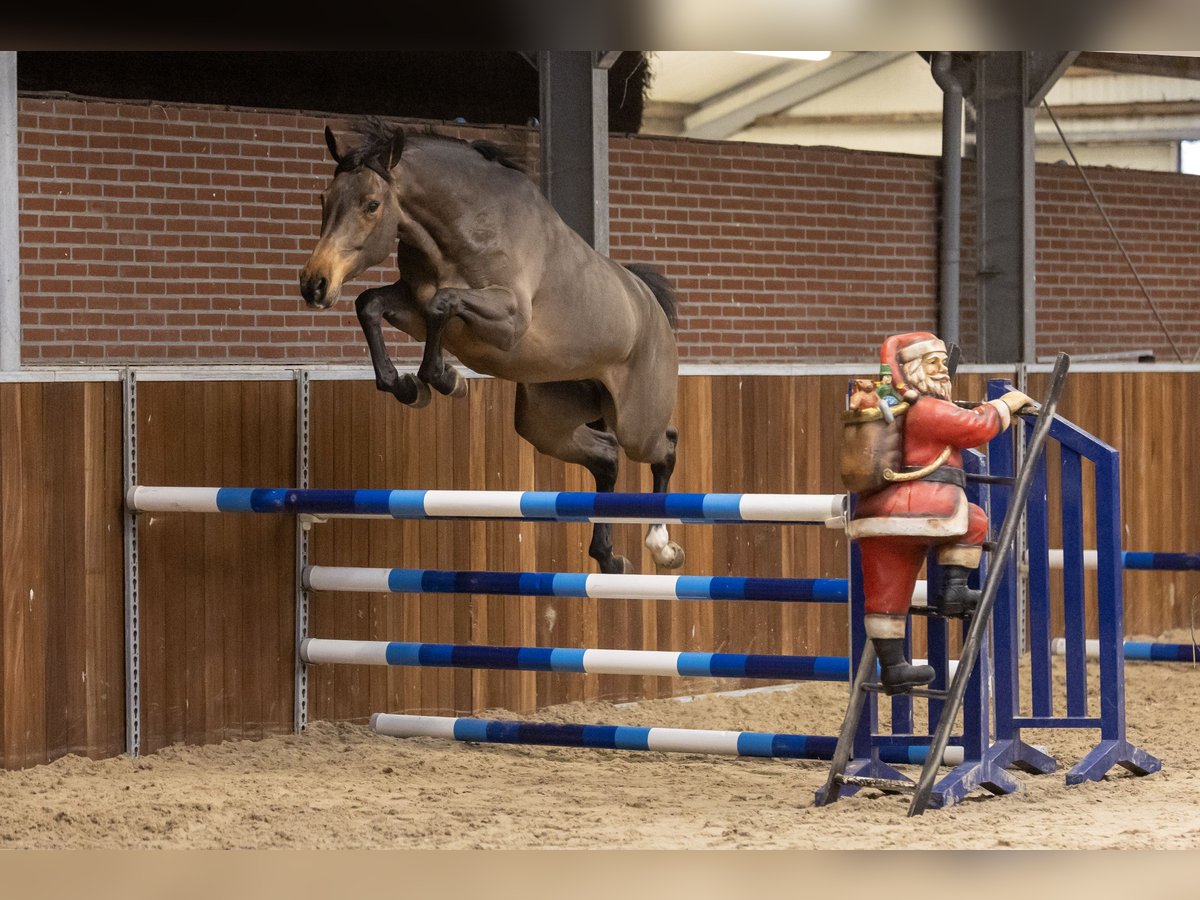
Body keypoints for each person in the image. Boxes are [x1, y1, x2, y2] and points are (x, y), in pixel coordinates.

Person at [845, 332, 1034, 694]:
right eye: (934, 364)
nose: (942, 371)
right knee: (974, 520)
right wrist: (1006, 404)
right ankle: (954, 589)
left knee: (887, 587)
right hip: (922, 502)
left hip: (875, 511)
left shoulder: (891, 406)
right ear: (914, 370)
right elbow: (975, 427)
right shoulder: (927, 408)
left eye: (943, 364)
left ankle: (893, 665)